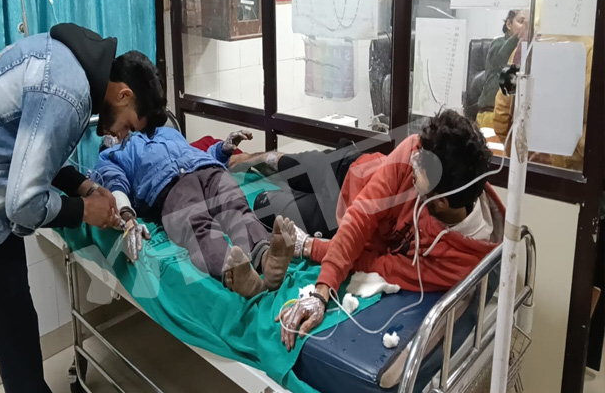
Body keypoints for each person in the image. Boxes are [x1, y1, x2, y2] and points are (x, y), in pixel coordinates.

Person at [0, 23, 167, 393]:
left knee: (18, 329)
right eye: (128, 126)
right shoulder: (66, 90)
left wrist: (86, 187)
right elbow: (23, 204)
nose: (121, 136)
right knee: (16, 341)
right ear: (124, 94)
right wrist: (83, 210)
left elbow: (33, 152)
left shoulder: (63, 61)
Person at [277, 110, 505, 351]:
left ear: (440, 201)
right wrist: (321, 291)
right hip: (353, 170)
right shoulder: (417, 151)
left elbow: (381, 265)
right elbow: (361, 216)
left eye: (418, 172)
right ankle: (260, 158)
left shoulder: (458, 261)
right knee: (281, 164)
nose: (412, 160)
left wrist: (310, 247)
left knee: (267, 203)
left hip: (335, 221)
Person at [91, 127, 299, 299]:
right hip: (168, 187)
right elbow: (114, 186)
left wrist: (222, 150)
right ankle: (236, 274)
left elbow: (193, 152)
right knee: (198, 227)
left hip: (208, 168)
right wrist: (127, 215)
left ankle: (267, 259)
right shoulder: (110, 156)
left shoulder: (163, 130)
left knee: (237, 208)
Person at [493, 35, 594, 170]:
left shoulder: (528, 45)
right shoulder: (592, 50)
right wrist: (554, 159)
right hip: (569, 173)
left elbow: (501, 117)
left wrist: (518, 153)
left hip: (524, 166)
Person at [229, 138, 362, 238]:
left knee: (264, 204)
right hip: (345, 167)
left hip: (341, 204)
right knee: (278, 162)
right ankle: (256, 159)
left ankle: (263, 162)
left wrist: (311, 248)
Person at [476, 10, 528, 128]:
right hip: (490, 113)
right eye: (521, 22)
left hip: (510, 116)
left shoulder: (523, 49)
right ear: (509, 24)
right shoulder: (498, 43)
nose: (524, 27)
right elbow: (502, 58)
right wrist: (519, 37)